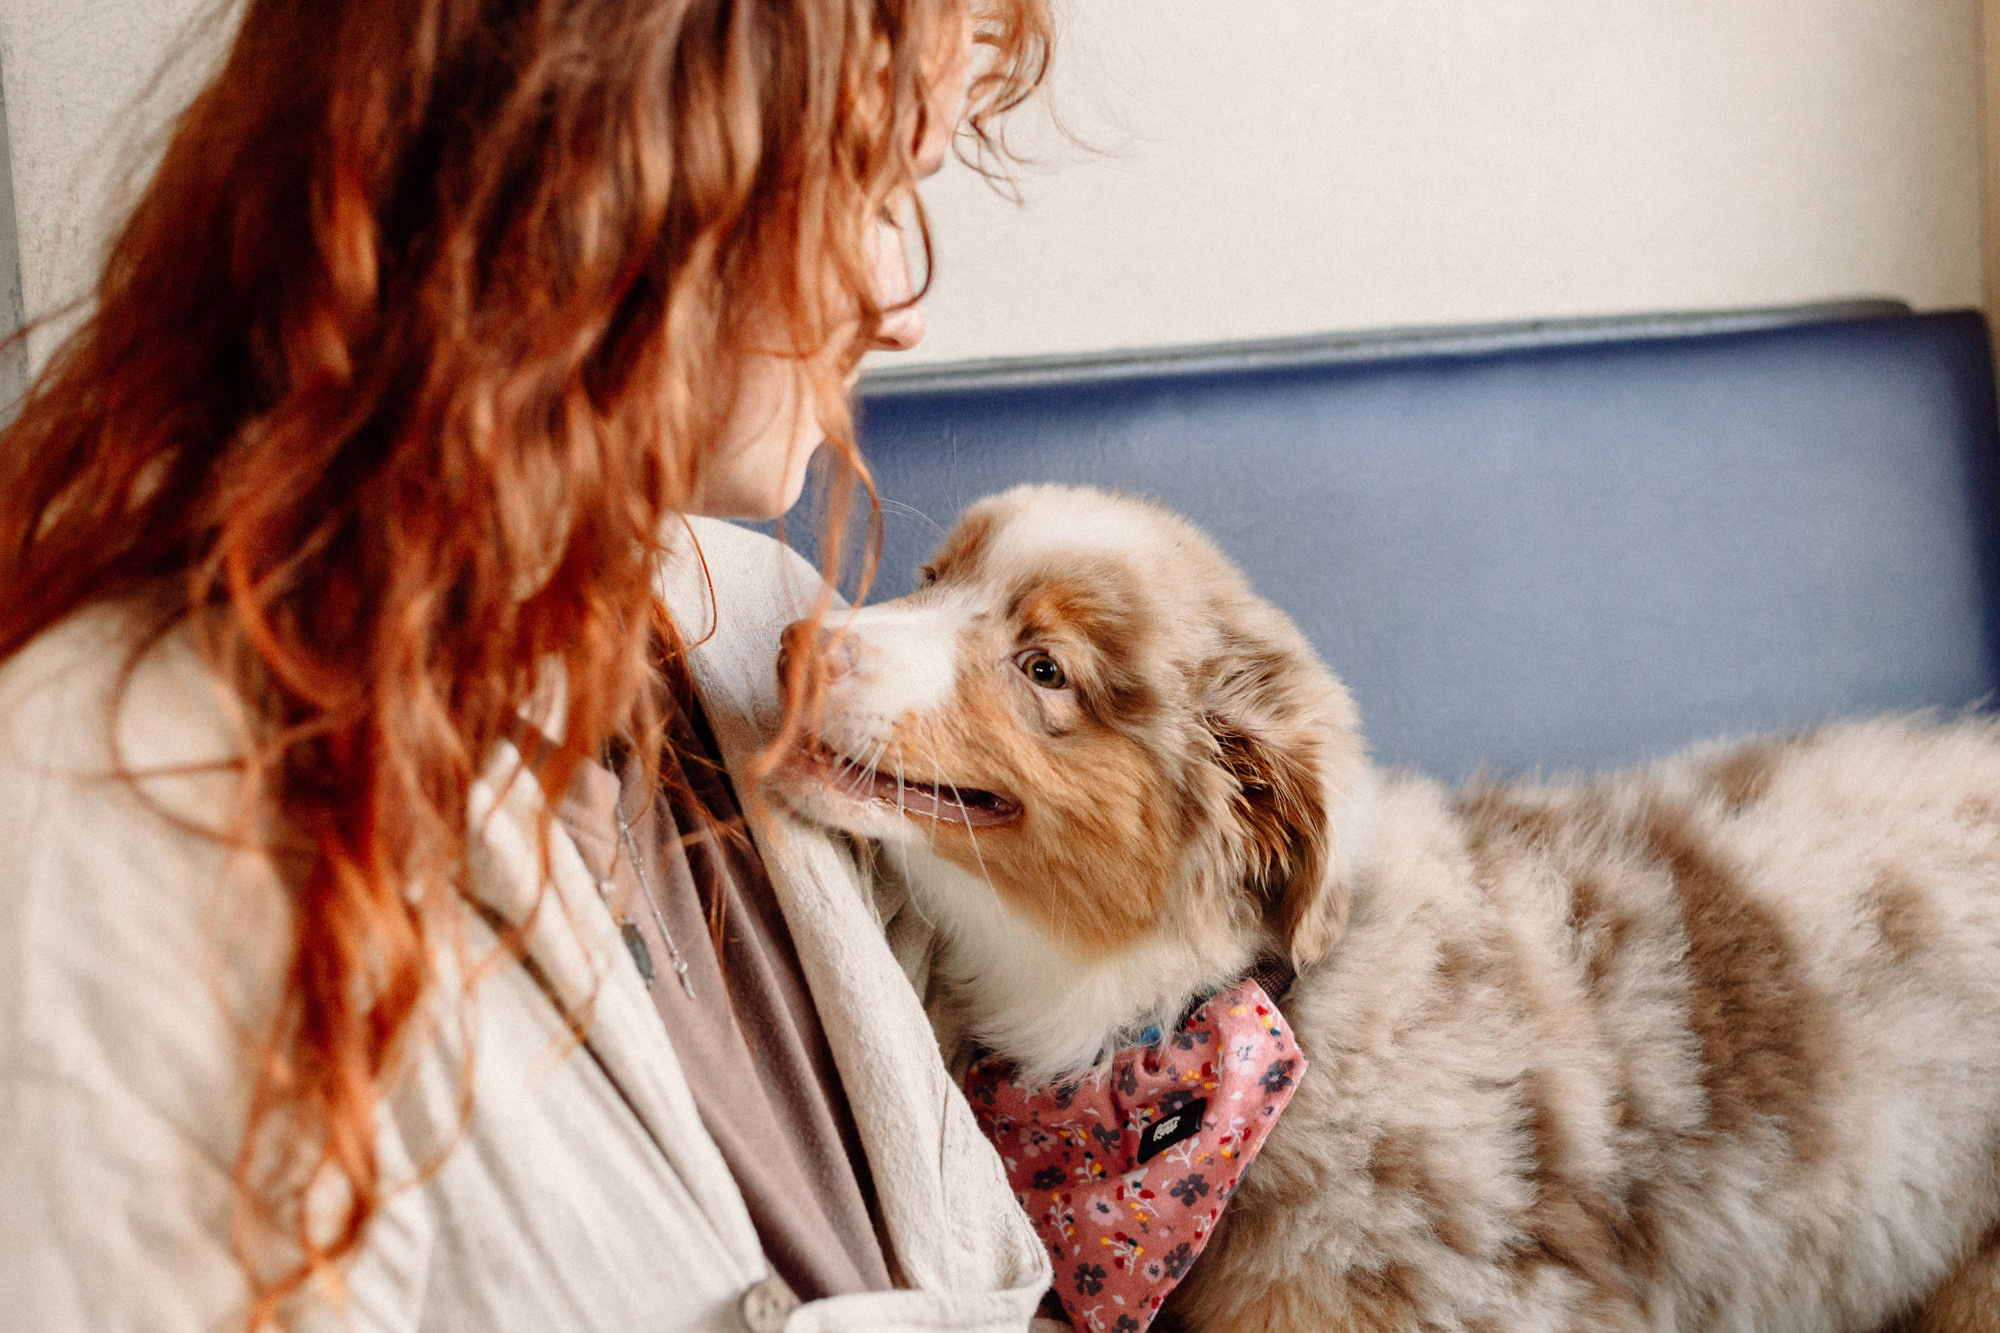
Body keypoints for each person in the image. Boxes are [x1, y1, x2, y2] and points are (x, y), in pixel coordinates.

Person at [0, 0, 1064, 1329]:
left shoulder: (763, 636)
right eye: (865, 192)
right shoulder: (134, 799)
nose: (895, 307)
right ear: (620, 178)